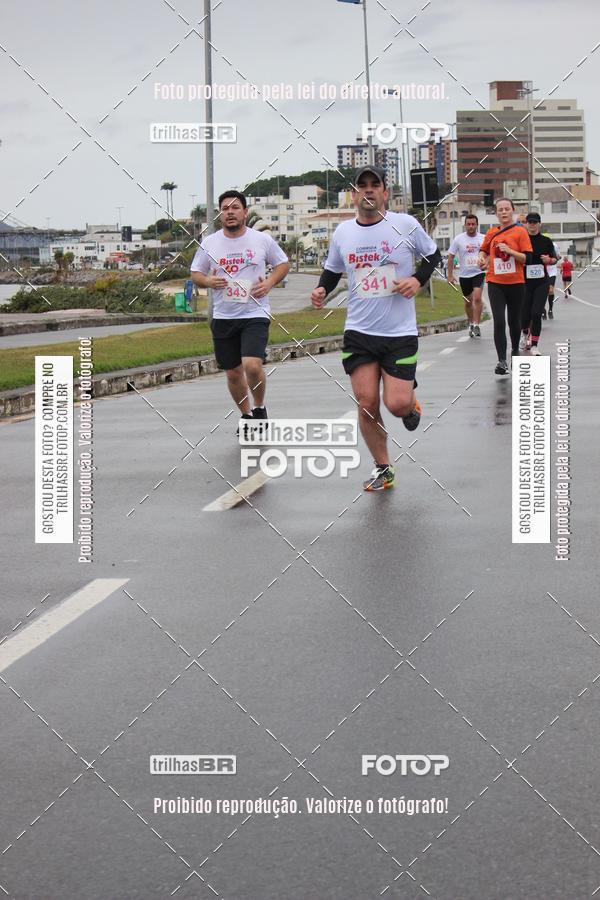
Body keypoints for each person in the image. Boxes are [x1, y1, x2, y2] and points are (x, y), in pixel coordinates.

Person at [310, 165, 441, 492]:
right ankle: (383, 467)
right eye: (361, 186)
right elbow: (332, 270)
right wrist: (321, 290)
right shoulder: (343, 233)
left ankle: (411, 401)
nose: (368, 191)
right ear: (354, 194)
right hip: (359, 331)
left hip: (399, 332)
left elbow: (433, 255)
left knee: (396, 405)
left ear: (385, 192)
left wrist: (416, 280)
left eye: (375, 185)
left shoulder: (405, 225)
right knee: (366, 403)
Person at [190, 190, 290, 430]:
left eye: (235, 208)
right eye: (225, 209)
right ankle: (246, 416)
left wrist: (269, 283)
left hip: (254, 314)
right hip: (224, 316)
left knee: (252, 365)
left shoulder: (261, 240)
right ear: (220, 215)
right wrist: (208, 282)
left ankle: (259, 407)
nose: (230, 212)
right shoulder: (210, 242)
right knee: (233, 373)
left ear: (245, 212)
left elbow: (282, 264)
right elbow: (195, 274)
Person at [477, 197, 533, 376]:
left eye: (506, 209)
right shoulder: (491, 233)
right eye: (500, 209)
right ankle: (501, 361)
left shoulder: (520, 232)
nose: (503, 212)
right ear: (496, 213)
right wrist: (481, 258)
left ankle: (515, 350)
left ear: (512, 211)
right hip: (495, 283)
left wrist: (510, 251)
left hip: (516, 283)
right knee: (499, 321)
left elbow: (528, 258)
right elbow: (484, 250)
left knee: (514, 321)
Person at [518, 213, 556, 356]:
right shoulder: (522, 240)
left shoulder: (546, 241)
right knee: (525, 313)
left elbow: (554, 259)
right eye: (530, 222)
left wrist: (549, 260)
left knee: (536, 312)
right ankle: (525, 333)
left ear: (539, 224)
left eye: (535, 222)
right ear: (526, 224)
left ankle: (534, 345)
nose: (532, 225)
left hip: (541, 281)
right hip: (524, 282)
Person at [447, 214, 485, 337]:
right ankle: (471, 323)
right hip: (464, 275)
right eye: (468, 224)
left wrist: (487, 264)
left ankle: (477, 325)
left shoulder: (483, 238)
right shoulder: (458, 239)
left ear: (477, 225)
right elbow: (451, 257)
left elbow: (489, 254)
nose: (471, 226)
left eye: (473, 224)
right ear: (465, 225)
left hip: (478, 272)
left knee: (478, 298)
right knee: (468, 302)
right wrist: (450, 275)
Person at [542, 234, 560, 319]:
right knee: (542, 291)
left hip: (552, 271)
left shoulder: (554, 246)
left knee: (550, 290)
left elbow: (557, 256)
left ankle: (550, 310)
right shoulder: (539, 244)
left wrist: (554, 259)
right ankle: (542, 309)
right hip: (542, 270)